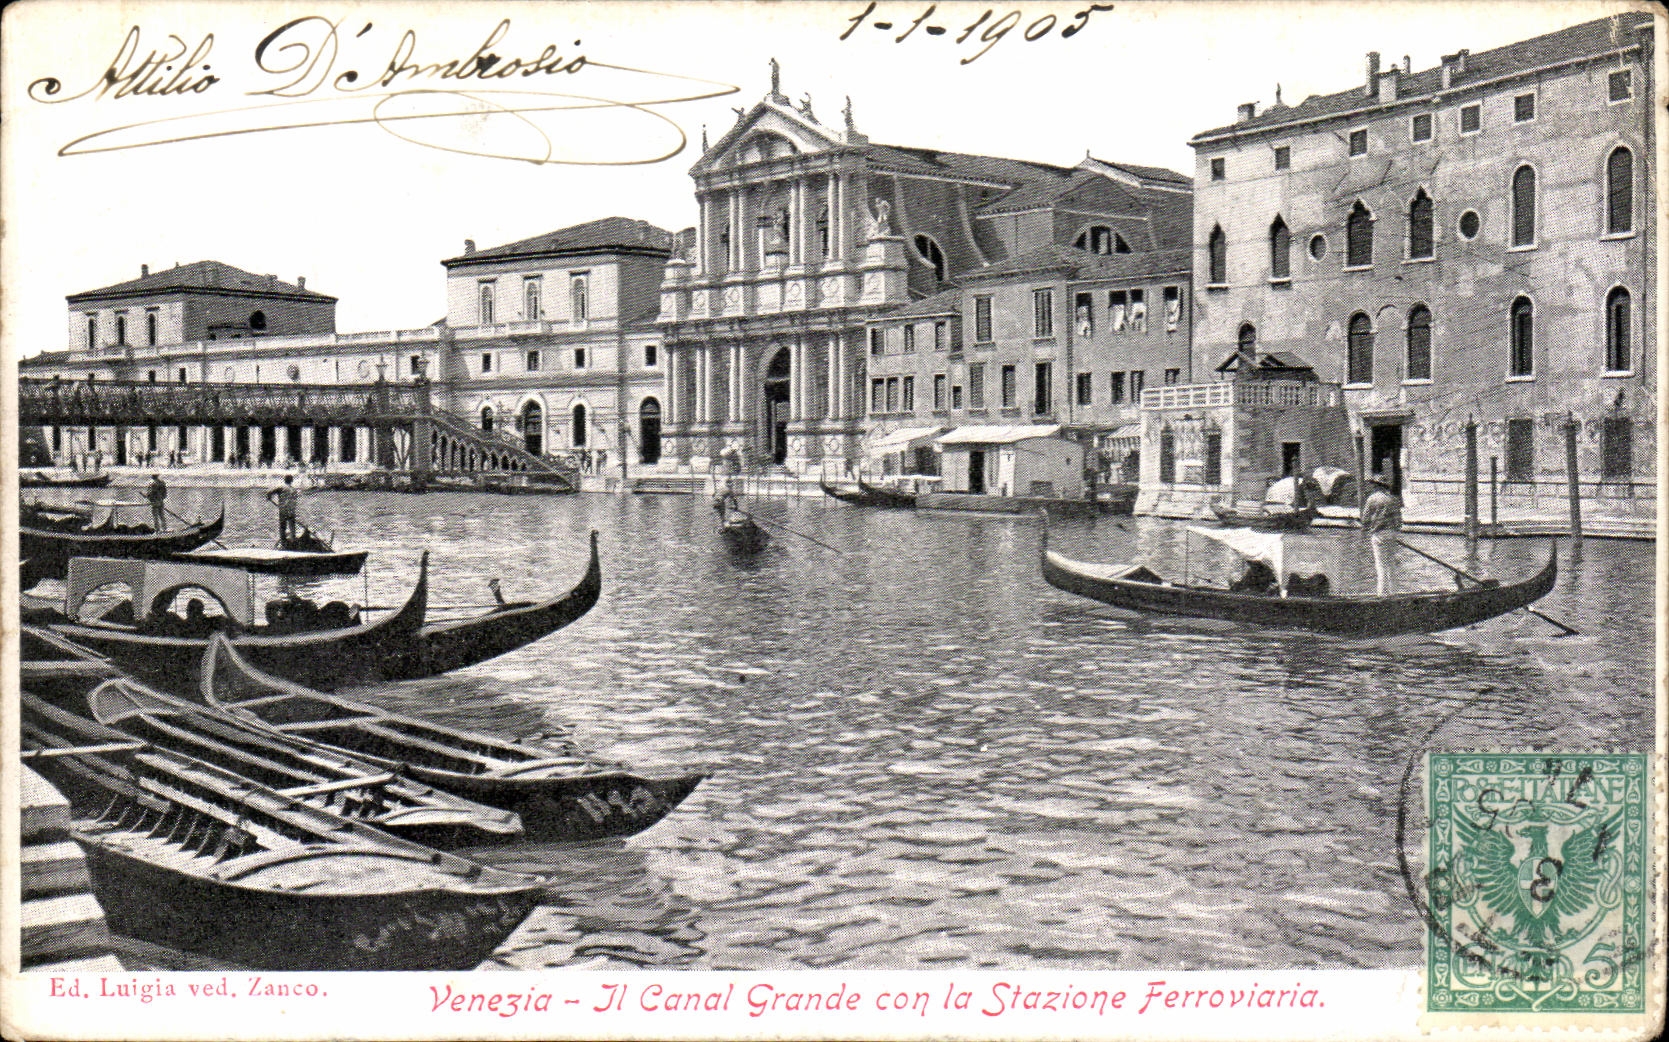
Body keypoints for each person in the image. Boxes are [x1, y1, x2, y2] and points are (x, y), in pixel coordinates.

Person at [1361, 470, 1403, 596]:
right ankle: (1393, 593)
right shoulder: (1394, 499)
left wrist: (1367, 527)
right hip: (1392, 534)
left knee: (1380, 566)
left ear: (1376, 486)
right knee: (1391, 565)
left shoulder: (1372, 499)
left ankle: (1381, 595)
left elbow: (1365, 519)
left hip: (1379, 535)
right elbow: (1399, 521)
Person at [267, 474, 300, 544]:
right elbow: (294, 501)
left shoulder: (281, 487)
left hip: (283, 510)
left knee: (282, 527)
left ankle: (283, 542)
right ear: (292, 481)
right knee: (292, 527)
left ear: (284, 480)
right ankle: (293, 541)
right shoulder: (294, 490)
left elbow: (269, 492)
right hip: (291, 511)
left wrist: (269, 497)